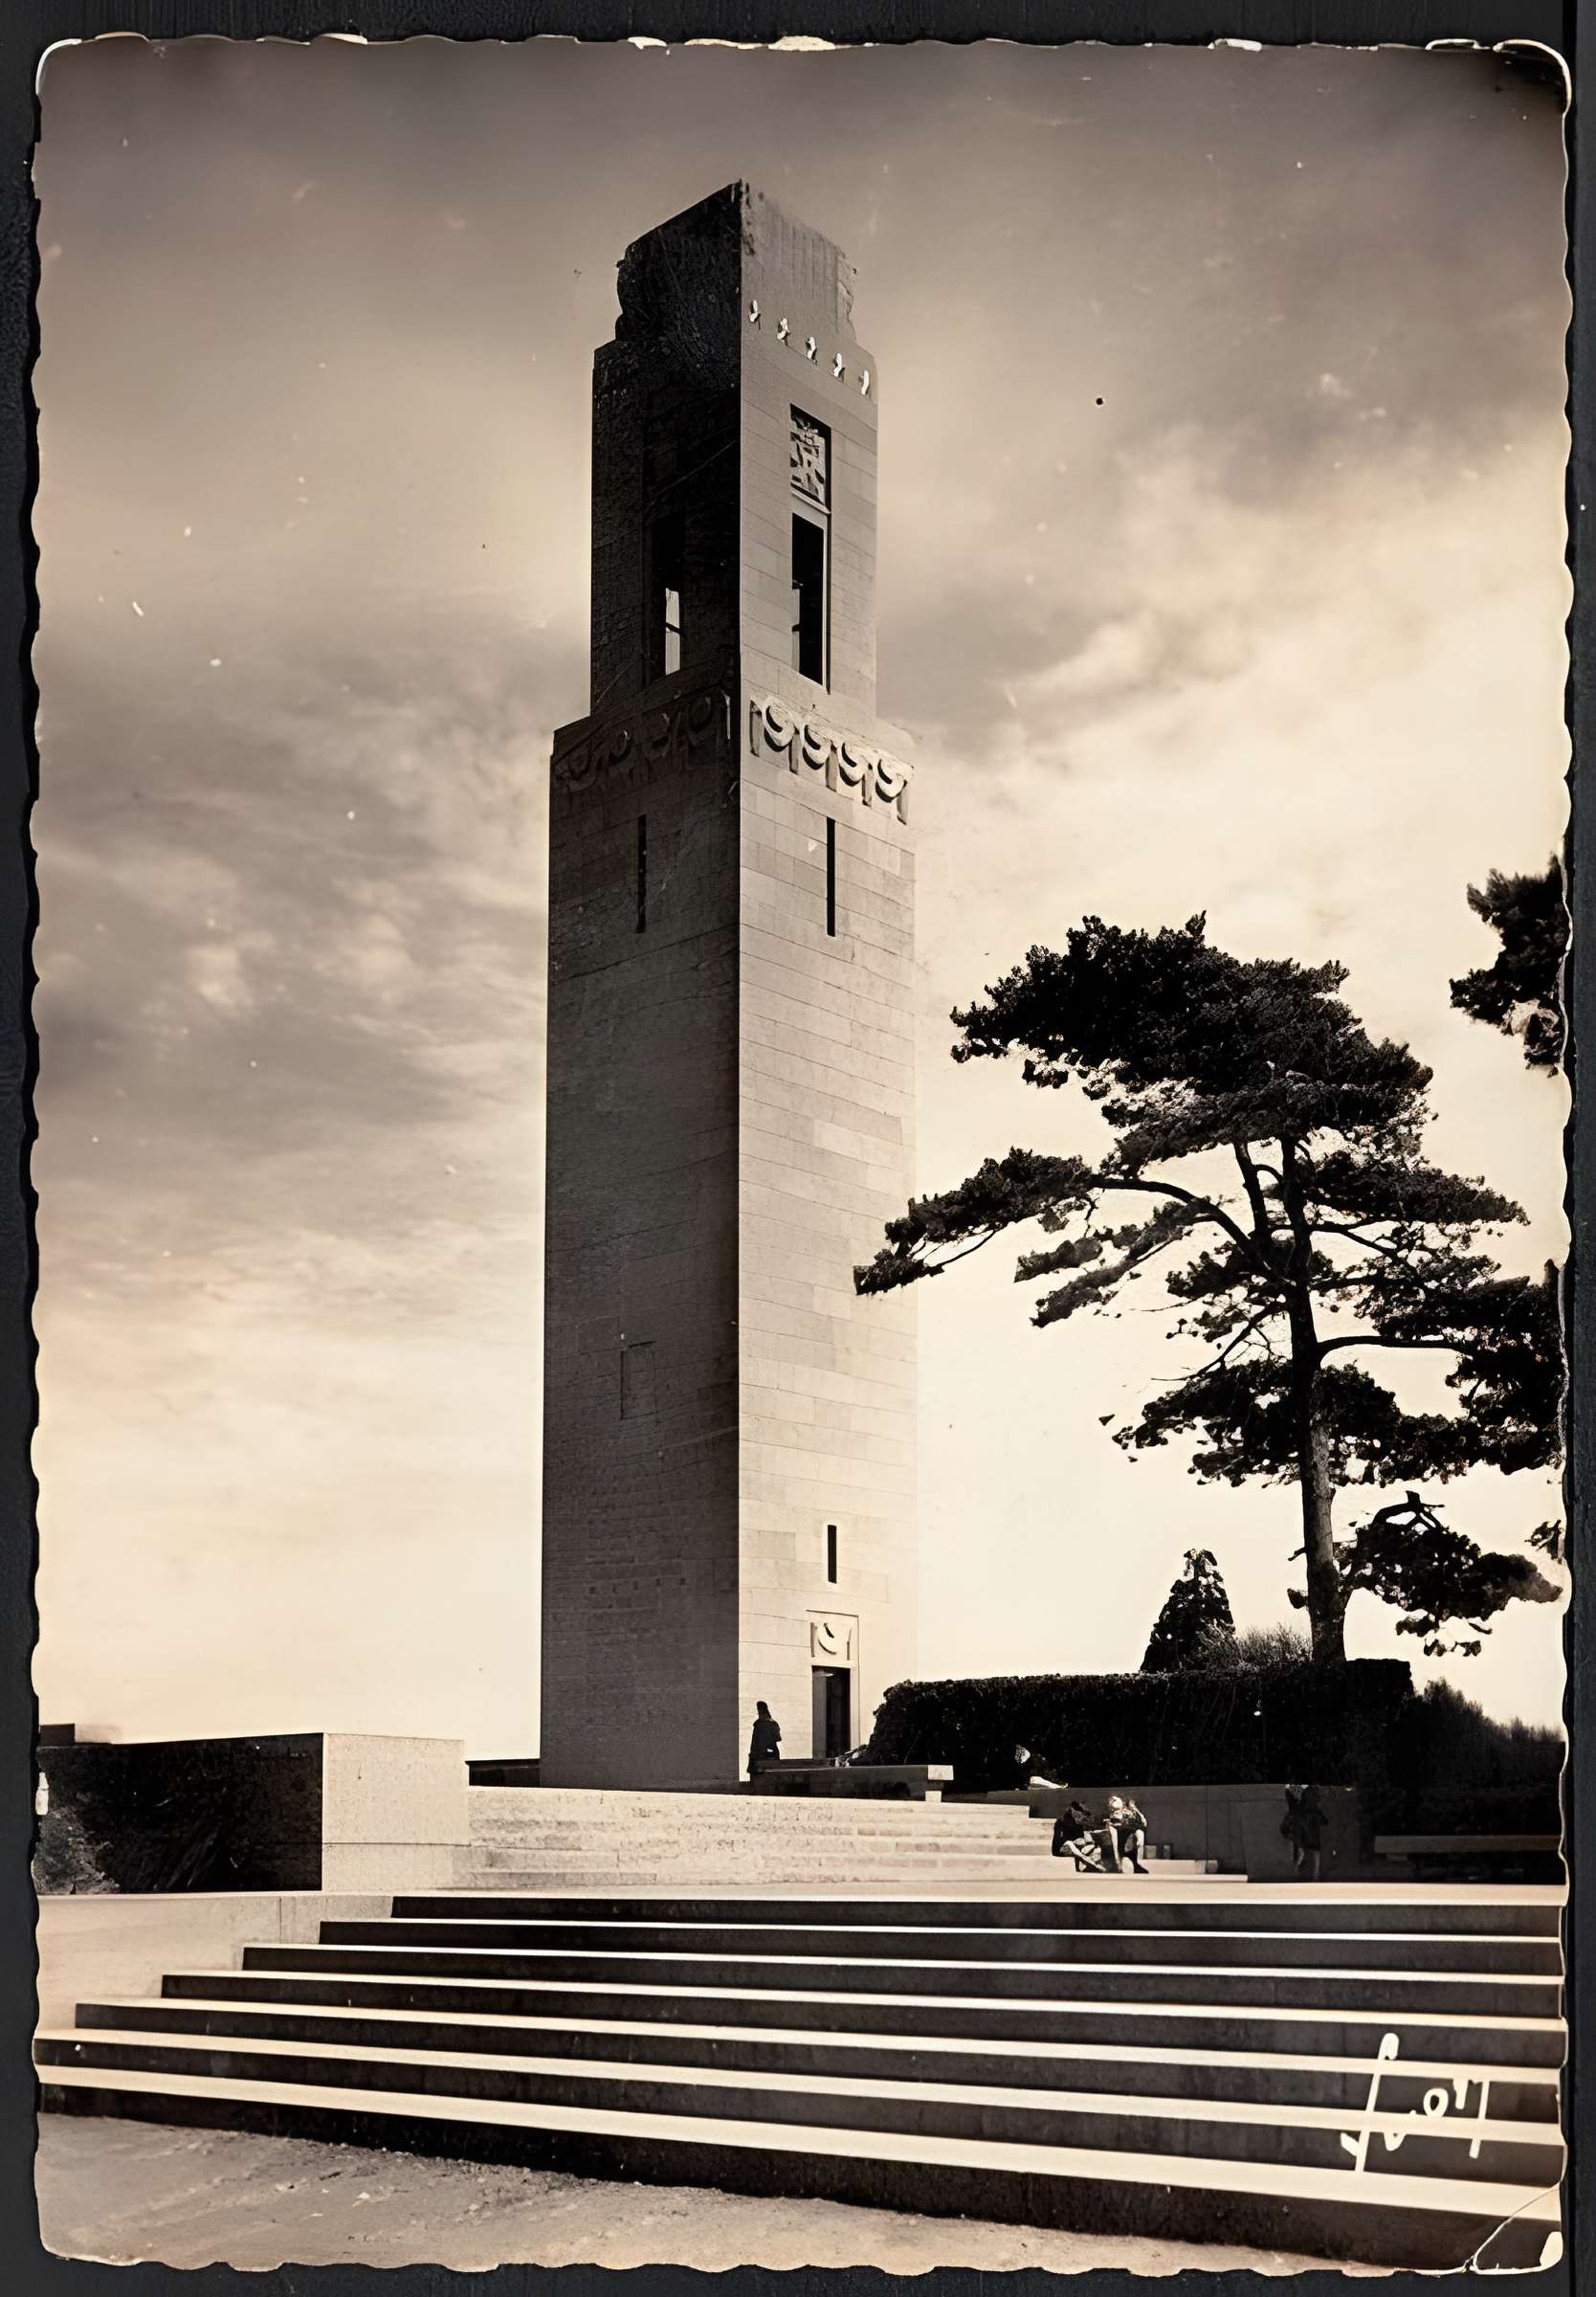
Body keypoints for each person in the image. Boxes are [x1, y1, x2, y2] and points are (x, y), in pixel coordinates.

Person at [1097, 1793, 1150, 1874]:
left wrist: (1134, 1811)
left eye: (1114, 1800)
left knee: (1140, 1834)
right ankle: (1117, 1863)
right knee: (1112, 1832)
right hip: (1115, 1836)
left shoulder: (1130, 1811)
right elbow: (1103, 1823)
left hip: (1128, 1833)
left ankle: (1136, 1864)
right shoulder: (1108, 1813)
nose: (1111, 1802)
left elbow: (1143, 1823)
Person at [1283, 1783, 1324, 1881]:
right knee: (1310, 1847)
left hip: (1304, 1819)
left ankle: (1310, 1873)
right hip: (1305, 1820)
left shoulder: (1307, 1790)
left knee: (1309, 1847)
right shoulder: (1308, 1790)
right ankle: (1312, 1873)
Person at [1051, 1796, 1104, 1871]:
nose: (1082, 1815)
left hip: (1075, 1846)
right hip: (1060, 1848)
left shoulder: (1080, 1823)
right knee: (1069, 1843)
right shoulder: (1061, 1821)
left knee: (1089, 1845)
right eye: (1082, 1812)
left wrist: (1082, 1840)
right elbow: (1058, 1840)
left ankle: (1090, 1864)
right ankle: (1090, 1863)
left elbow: (1082, 1837)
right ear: (1073, 1810)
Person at [747, 1701, 781, 1779]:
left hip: (759, 1754)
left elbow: (754, 1741)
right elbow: (778, 1738)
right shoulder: (773, 1723)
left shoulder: (758, 1724)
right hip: (771, 1752)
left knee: (753, 1763)